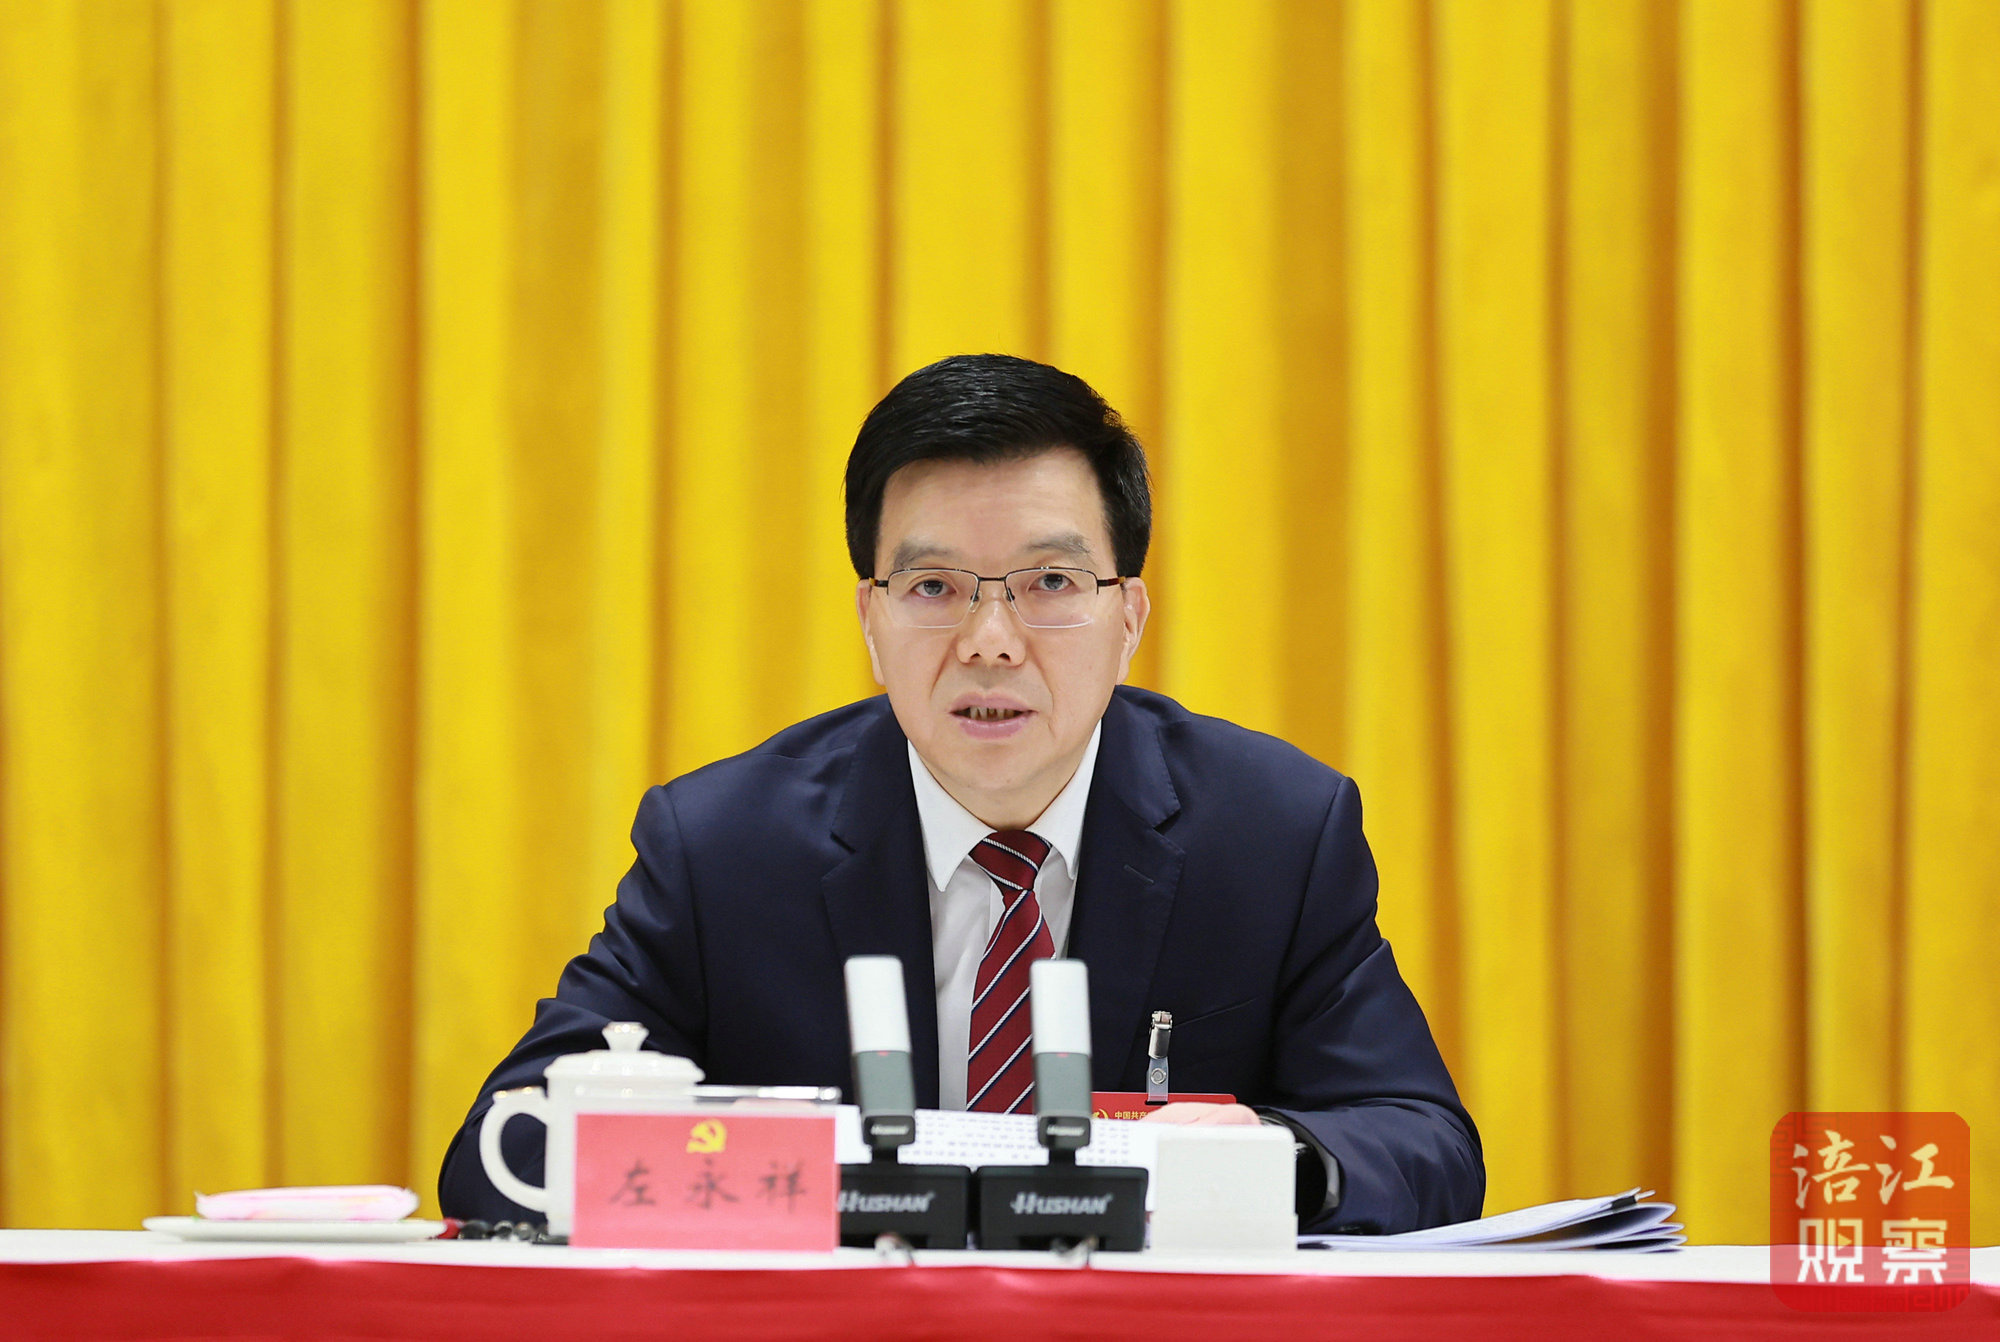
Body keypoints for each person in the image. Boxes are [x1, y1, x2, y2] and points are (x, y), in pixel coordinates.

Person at [439, 354, 1483, 1233]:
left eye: (1050, 583)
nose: (990, 642)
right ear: (870, 620)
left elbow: (1423, 1143)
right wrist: (769, 1166)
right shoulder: (723, 848)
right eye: (934, 587)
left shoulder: (1271, 834)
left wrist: (1268, 1155)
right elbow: (502, 1150)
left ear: (1129, 618)